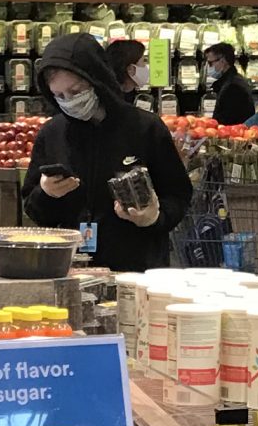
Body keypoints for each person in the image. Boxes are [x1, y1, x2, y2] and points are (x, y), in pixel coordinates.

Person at [21, 32, 193, 270]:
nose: (69, 101)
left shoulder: (145, 128)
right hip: (71, 268)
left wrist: (154, 217)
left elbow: (179, 194)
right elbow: (33, 208)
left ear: (96, 80)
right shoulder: (52, 133)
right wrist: (46, 194)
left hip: (136, 266)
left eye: (76, 91)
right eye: (59, 95)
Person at [202, 43, 258, 126]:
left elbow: (227, 122)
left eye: (210, 63)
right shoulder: (234, 81)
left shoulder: (233, 87)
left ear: (223, 61)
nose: (208, 67)